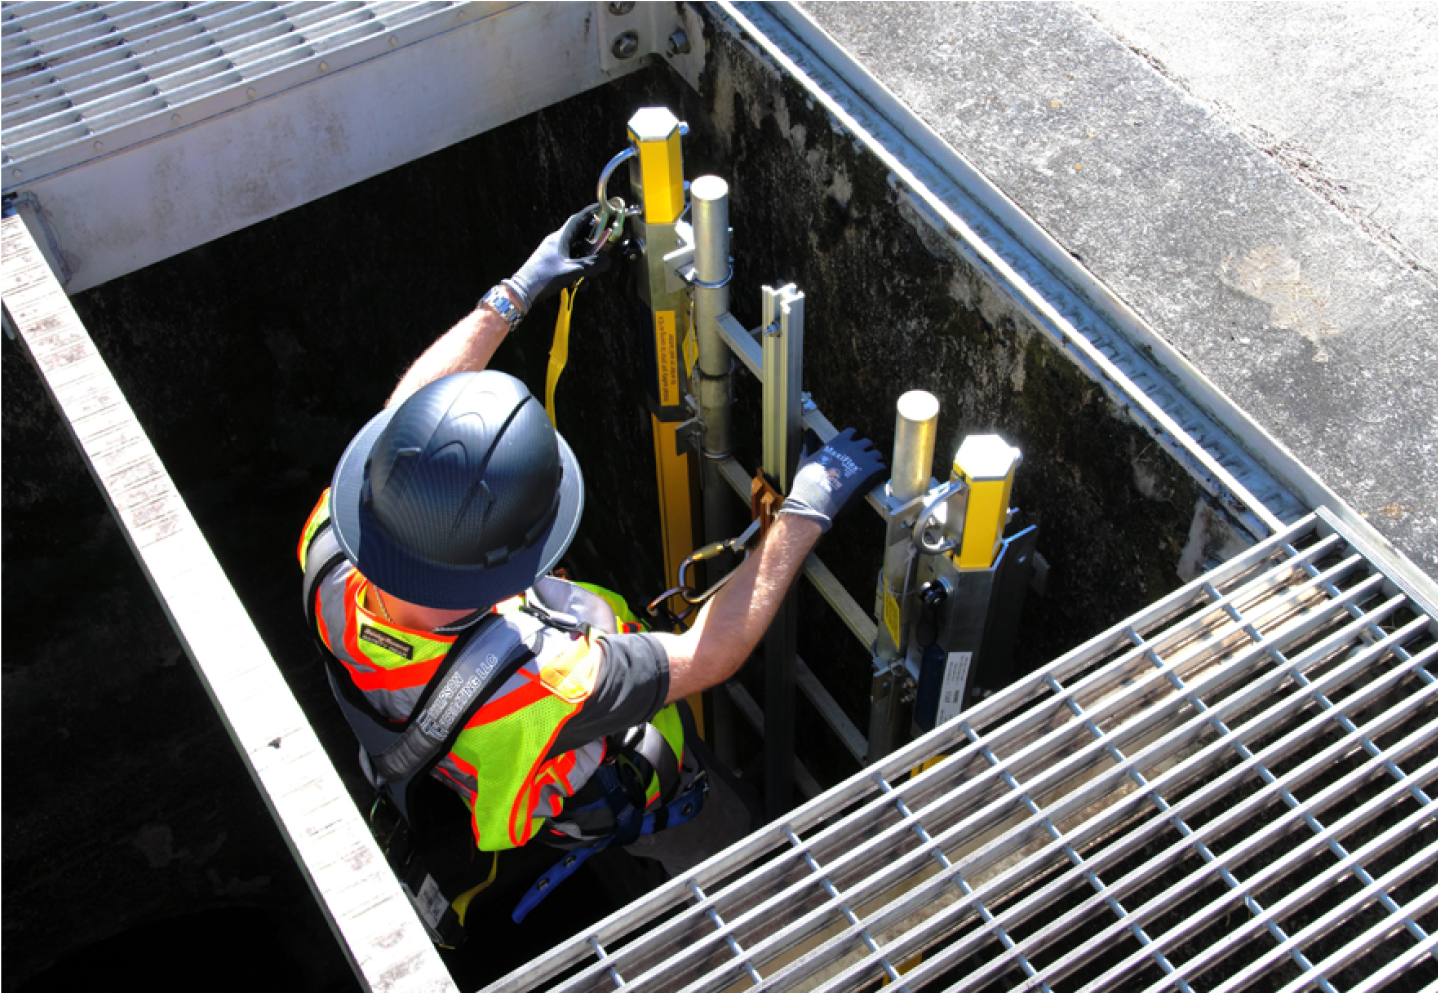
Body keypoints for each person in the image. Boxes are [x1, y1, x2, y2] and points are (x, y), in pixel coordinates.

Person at [298, 206, 885, 939]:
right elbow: (710, 655)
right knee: (724, 835)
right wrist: (805, 513)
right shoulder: (544, 683)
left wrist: (518, 289)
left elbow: (405, 416)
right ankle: (787, 918)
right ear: (502, 571)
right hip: (575, 779)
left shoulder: (333, 548)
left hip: (441, 748)